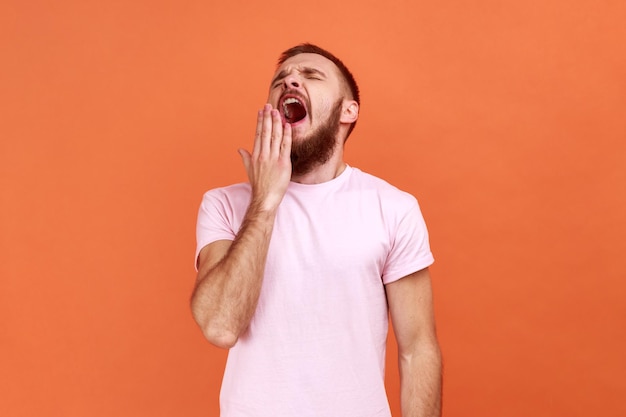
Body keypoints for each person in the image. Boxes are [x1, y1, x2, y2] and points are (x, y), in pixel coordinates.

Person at [191, 43, 442, 417]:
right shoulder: (225, 205)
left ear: (348, 110)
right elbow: (220, 326)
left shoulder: (393, 208)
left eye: (311, 75)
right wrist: (264, 202)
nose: (289, 79)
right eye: (280, 79)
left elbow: (417, 349)